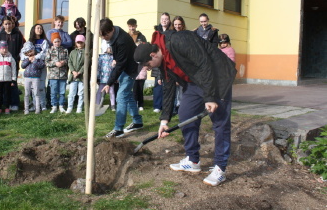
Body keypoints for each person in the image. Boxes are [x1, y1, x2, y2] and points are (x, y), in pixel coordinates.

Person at [133, 29, 237, 187]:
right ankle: (193, 159)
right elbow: (168, 86)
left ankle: (220, 168)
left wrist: (209, 97)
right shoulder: (162, 61)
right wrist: (164, 120)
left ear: (153, 55)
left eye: (147, 65)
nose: (146, 69)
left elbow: (205, 63)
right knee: (185, 114)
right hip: (194, 82)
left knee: (220, 122)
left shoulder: (178, 40)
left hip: (218, 77)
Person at [99, 18, 143, 138]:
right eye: (102, 36)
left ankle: (118, 129)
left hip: (131, 68)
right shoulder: (115, 33)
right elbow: (119, 59)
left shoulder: (121, 40)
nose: (104, 38)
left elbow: (120, 65)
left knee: (121, 96)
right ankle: (137, 121)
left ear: (111, 30)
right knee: (127, 95)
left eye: (105, 35)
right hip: (126, 65)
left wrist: (109, 83)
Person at [0, 16, 24, 111]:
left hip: (13, 63)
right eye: (6, 24)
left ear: (12, 24)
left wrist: (18, 58)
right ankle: (4, 104)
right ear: (3, 25)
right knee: (3, 85)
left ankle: (14, 103)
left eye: (9, 23)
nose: (8, 26)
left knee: (13, 83)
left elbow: (22, 48)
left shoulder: (17, 34)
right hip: (2, 65)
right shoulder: (0, 35)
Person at [20, 24, 49, 111]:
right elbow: (22, 54)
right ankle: (35, 105)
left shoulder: (44, 41)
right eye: (38, 28)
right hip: (31, 67)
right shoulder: (29, 42)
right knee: (33, 88)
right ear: (33, 30)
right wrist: (28, 58)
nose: (39, 29)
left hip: (40, 65)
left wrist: (35, 57)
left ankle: (43, 105)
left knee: (41, 86)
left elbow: (45, 53)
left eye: (41, 28)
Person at [152, 12, 172, 113]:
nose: (164, 20)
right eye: (162, 19)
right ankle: (157, 105)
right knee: (158, 83)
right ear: (160, 20)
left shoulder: (171, 33)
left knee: (168, 84)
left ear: (169, 21)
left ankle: (167, 106)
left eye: (166, 19)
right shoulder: (157, 32)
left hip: (168, 60)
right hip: (158, 60)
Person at [0, 41, 16, 114]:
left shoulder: (10, 58)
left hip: (7, 80)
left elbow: (13, 69)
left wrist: (13, 79)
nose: (4, 50)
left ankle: (7, 107)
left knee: (7, 94)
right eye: (2, 48)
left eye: (6, 48)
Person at [46, 32, 68, 114]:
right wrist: (55, 63)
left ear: (60, 41)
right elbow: (47, 62)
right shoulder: (49, 51)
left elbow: (67, 60)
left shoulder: (64, 50)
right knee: (53, 92)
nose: (57, 43)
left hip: (62, 75)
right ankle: (54, 106)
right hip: (53, 76)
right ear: (52, 42)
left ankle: (61, 105)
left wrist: (63, 62)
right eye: (55, 42)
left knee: (62, 91)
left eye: (58, 41)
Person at [21, 41, 45, 115]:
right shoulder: (26, 59)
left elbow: (42, 65)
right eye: (27, 53)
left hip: (36, 77)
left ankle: (37, 109)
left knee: (36, 93)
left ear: (33, 50)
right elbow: (22, 66)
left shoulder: (38, 58)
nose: (29, 54)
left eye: (30, 51)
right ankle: (26, 109)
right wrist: (28, 60)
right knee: (27, 93)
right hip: (27, 77)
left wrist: (34, 61)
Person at [66, 35, 85, 114]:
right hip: (73, 76)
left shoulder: (86, 52)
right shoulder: (73, 52)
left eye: (81, 42)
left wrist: (80, 72)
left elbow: (86, 63)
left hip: (81, 77)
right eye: (78, 42)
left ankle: (79, 107)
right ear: (76, 43)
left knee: (81, 93)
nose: (80, 44)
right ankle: (69, 107)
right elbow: (69, 62)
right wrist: (73, 71)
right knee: (71, 93)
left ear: (84, 43)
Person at [96, 44, 116, 111]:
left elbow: (115, 68)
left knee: (111, 91)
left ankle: (113, 105)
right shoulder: (101, 57)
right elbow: (98, 67)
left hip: (110, 78)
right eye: (108, 48)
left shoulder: (114, 57)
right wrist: (98, 77)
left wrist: (115, 78)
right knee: (100, 91)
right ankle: (97, 104)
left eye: (111, 48)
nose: (110, 49)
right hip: (102, 77)